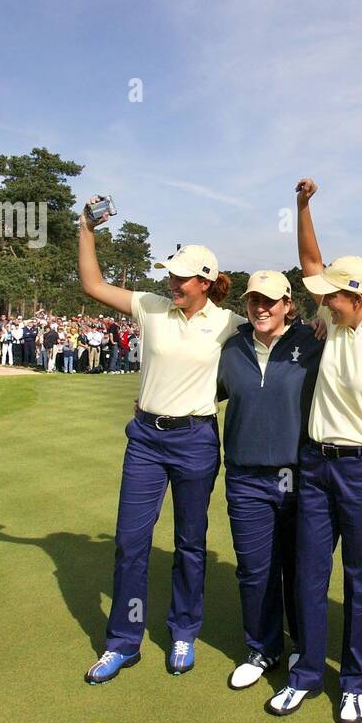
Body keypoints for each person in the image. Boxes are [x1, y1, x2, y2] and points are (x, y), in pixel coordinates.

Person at [79, 196, 243, 685]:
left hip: (195, 438)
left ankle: (183, 631)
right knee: (131, 542)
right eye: (170, 274)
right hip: (146, 439)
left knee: (190, 543)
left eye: (180, 277)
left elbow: (280, 329)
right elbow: (92, 284)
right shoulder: (150, 306)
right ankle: (123, 642)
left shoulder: (229, 323)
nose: (170, 282)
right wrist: (86, 228)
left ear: (206, 283)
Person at [265, 177, 362, 723]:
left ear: (358, 297)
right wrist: (301, 206)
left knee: (361, 580)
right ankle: (305, 674)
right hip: (317, 465)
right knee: (307, 574)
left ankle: (356, 681)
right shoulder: (328, 320)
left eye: (333, 294)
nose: (321, 297)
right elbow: (309, 258)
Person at [217, 270, 323, 690]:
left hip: (298, 474)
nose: (261, 308)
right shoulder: (232, 346)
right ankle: (263, 647)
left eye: (270, 301)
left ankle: (301, 643)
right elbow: (203, 390)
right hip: (245, 476)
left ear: (287, 304)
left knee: (299, 568)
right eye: (254, 301)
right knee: (254, 568)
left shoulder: (313, 341)